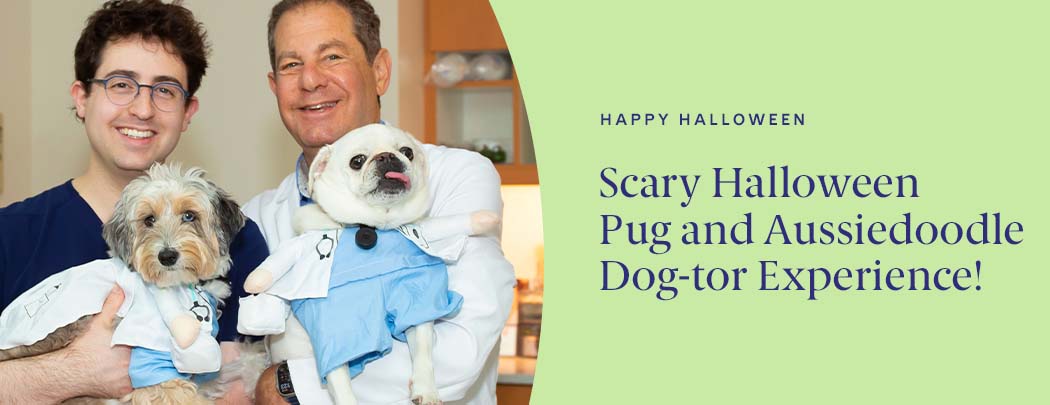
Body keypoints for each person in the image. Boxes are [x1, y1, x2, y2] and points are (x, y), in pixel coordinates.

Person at [244, 0, 515, 403]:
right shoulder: (257, 219)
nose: (310, 80)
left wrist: (287, 383)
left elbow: (457, 355)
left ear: (380, 71)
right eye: (291, 65)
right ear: (274, 86)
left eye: (332, 56)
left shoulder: (455, 176)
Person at [0, 1, 267, 403]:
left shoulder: (237, 242)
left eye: (164, 89)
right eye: (121, 83)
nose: (142, 109)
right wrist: (70, 371)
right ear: (82, 98)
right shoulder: (10, 236)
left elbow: (238, 389)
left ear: (187, 111)